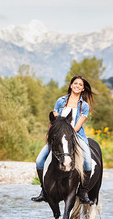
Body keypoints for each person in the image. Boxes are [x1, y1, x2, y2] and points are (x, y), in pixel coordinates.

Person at [32, 75, 94, 204]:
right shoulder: (60, 101)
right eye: (75, 83)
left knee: (88, 161)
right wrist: (51, 133)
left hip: (76, 135)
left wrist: (69, 133)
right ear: (71, 85)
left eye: (80, 85)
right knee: (39, 161)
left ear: (83, 89)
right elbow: (54, 121)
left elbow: (79, 124)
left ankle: (83, 192)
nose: (77, 86)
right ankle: (44, 190)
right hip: (58, 136)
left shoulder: (84, 106)